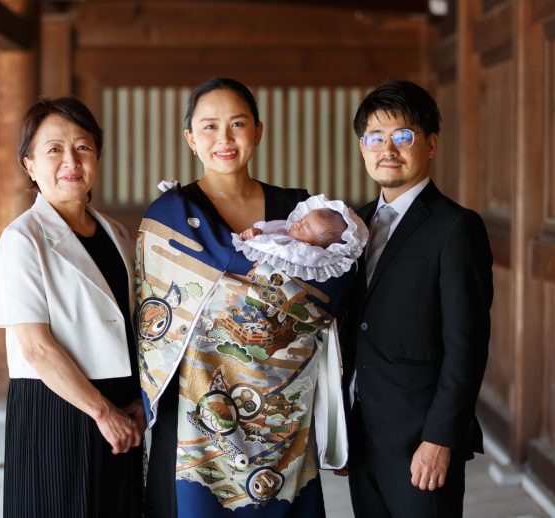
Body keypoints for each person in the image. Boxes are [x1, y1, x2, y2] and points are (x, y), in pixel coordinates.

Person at [137, 77, 352, 517]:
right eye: (210, 126)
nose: (225, 139)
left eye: (237, 124)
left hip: (285, 410)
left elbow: (335, 287)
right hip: (196, 415)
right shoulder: (170, 217)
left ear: (258, 131)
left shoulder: (299, 210)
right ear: (190, 139)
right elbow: (151, 324)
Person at [341, 79, 493, 517]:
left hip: (421, 438)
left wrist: (441, 437)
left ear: (430, 144)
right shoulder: (355, 225)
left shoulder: (456, 227)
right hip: (364, 432)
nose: (388, 148)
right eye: (375, 137)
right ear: (362, 148)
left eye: (402, 136)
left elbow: (467, 346)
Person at [0, 97, 144, 517]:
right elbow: (35, 347)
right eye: (53, 149)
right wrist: (101, 411)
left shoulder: (115, 232)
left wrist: (136, 401)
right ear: (30, 165)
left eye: (83, 147)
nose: (70, 161)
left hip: (119, 404)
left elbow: (130, 325)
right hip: (57, 406)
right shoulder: (22, 239)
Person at [232, 194, 368, 282]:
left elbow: (272, 247)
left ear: (317, 247)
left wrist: (253, 241)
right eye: (302, 219)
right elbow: (267, 236)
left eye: (304, 227)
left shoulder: (301, 252)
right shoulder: (284, 230)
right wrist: (256, 233)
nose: (296, 223)